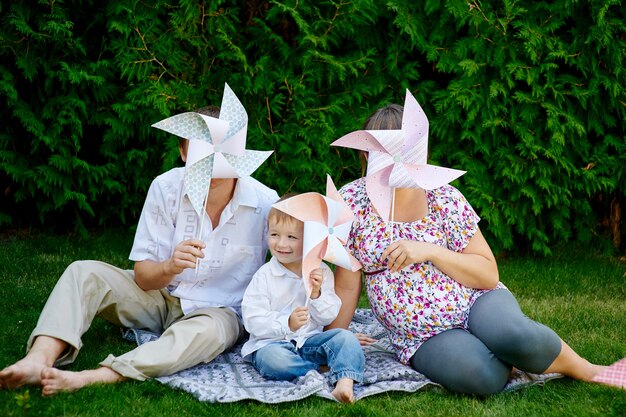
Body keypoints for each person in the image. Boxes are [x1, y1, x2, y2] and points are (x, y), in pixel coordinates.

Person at [327, 102, 616, 396]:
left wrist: (429, 250)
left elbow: (488, 274)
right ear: (366, 154)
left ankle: (588, 369)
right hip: (421, 334)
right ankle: (503, 356)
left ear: (419, 152)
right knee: (480, 377)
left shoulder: (443, 196)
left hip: (474, 299)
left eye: (403, 150)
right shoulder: (351, 203)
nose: (394, 161)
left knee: (515, 335)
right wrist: (333, 344)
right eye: (382, 152)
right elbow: (348, 287)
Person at [0, 106, 278, 396]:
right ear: (184, 154)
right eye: (202, 150)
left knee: (206, 334)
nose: (213, 159)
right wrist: (170, 266)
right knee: (83, 272)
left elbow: (290, 259)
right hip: (160, 296)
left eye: (221, 150)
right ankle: (38, 359)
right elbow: (144, 278)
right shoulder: (166, 187)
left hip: (219, 312)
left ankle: (99, 375)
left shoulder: (264, 202)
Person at [241, 198, 365, 403]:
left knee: (346, 338)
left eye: (292, 237)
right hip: (272, 343)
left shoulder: (320, 271)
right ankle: (318, 371)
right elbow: (252, 320)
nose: (281, 244)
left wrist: (316, 295)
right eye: (274, 235)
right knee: (274, 361)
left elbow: (328, 316)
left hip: (309, 342)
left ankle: (345, 381)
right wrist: (286, 323)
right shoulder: (264, 276)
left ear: (310, 239)